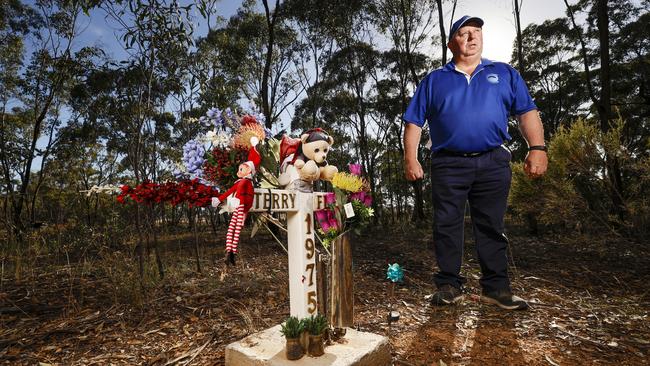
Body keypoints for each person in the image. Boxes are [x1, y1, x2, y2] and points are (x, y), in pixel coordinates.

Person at [403, 15, 548, 310]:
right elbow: (414, 122)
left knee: (491, 225)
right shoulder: (434, 80)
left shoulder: (505, 73)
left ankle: (496, 288)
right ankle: (449, 286)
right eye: (463, 33)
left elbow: (527, 112)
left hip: (493, 161)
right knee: (446, 224)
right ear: (451, 42)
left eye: (476, 32)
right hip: (448, 164)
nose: (471, 38)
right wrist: (410, 157)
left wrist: (537, 147)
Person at [212, 137, 261, 265]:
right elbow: (230, 191)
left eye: (241, 169)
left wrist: (240, 203)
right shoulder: (240, 181)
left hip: (241, 206)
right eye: (239, 169)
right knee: (232, 228)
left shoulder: (247, 182)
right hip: (238, 206)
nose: (238, 172)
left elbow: (246, 194)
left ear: (249, 170)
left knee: (236, 228)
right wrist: (219, 199)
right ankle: (230, 252)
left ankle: (232, 252)